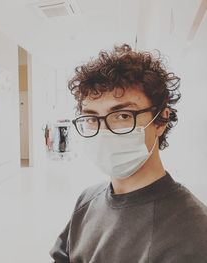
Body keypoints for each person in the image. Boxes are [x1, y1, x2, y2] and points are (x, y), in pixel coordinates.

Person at [50, 44, 207, 262]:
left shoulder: (193, 231)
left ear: (161, 119)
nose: (104, 132)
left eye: (122, 116)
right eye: (92, 119)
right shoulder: (87, 200)